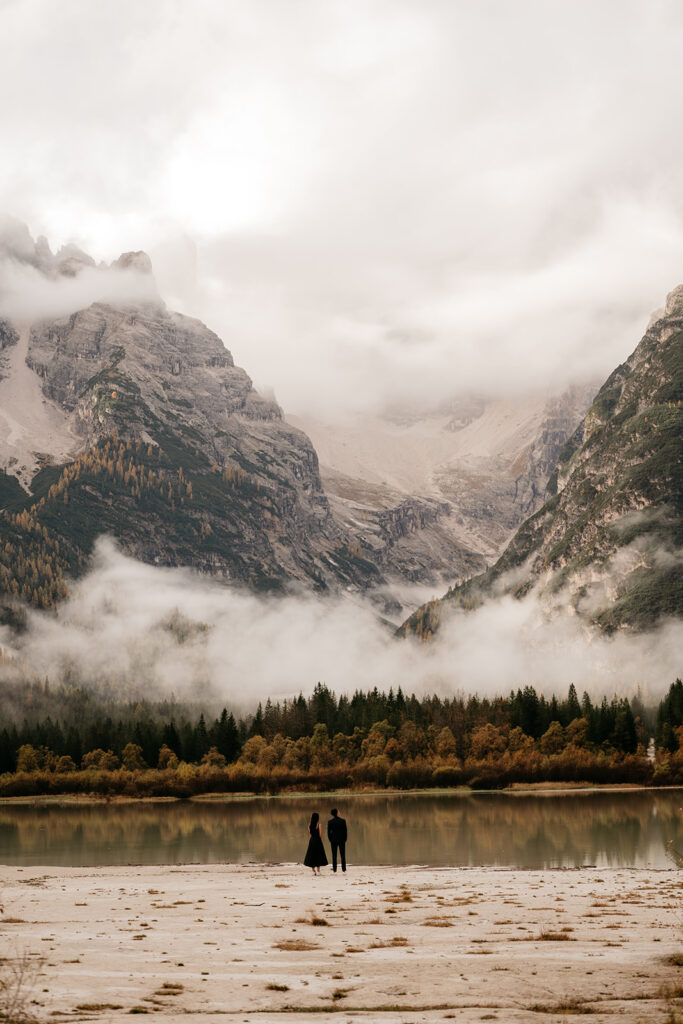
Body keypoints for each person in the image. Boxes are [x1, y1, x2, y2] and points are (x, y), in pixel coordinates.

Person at [327, 807, 347, 873]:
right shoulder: (343, 821)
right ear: (337, 813)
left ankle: (334, 870)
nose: (339, 812)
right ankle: (343, 869)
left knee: (334, 855)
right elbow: (345, 831)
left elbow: (328, 832)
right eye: (338, 811)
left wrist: (330, 839)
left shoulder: (330, 822)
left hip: (333, 840)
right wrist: (345, 839)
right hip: (341, 840)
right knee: (343, 855)